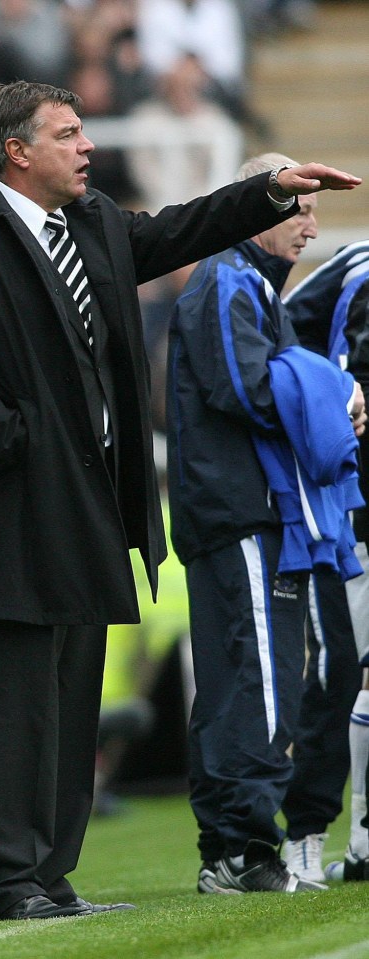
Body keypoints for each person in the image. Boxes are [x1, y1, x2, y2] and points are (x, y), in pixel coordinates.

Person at [0, 79, 362, 920]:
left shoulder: (96, 223)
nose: (86, 146)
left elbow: (177, 229)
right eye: (67, 134)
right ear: (16, 152)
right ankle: (6, 877)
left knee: (74, 695)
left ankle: (52, 872)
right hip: (18, 503)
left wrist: (267, 191)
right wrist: (12, 433)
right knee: (19, 698)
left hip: (95, 500)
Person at [165, 152, 366, 895]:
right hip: (242, 510)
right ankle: (245, 846)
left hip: (244, 510)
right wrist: (335, 390)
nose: (311, 228)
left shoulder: (248, 286)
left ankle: (231, 844)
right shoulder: (228, 278)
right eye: (299, 210)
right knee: (262, 682)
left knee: (242, 680)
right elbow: (247, 388)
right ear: (259, 205)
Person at [281, 241, 369, 882]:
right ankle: (312, 832)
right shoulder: (359, 267)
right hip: (354, 500)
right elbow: (283, 340)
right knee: (348, 668)